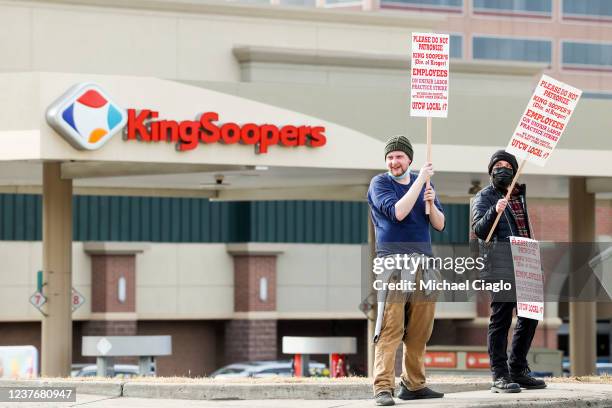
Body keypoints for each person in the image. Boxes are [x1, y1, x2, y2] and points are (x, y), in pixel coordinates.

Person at [367, 135, 445, 406]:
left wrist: (432, 202)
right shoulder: (380, 183)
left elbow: (440, 224)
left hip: (424, 263)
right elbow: (398, 212)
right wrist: (420, 181)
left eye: (399, 156)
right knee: (391, 327)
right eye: (390, 157)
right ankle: (383, 388)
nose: (393, 162)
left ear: (409, 159)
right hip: (393, 264)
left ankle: (414, 384)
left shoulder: (424, 184)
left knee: (420, 330)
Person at [471, 150, 547, 393]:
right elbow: (481, 231)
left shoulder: (519, 196)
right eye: (497, 165)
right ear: (491, 171)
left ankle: (518, 369)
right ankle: (500, 375)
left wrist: (536, 263)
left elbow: (526, 232)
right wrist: (495, 210)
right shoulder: (483, 197)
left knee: (530, 316)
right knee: (501, 319)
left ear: (515, 170)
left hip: (526, 263)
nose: (502, 169)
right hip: (501, 265)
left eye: (507, 165)